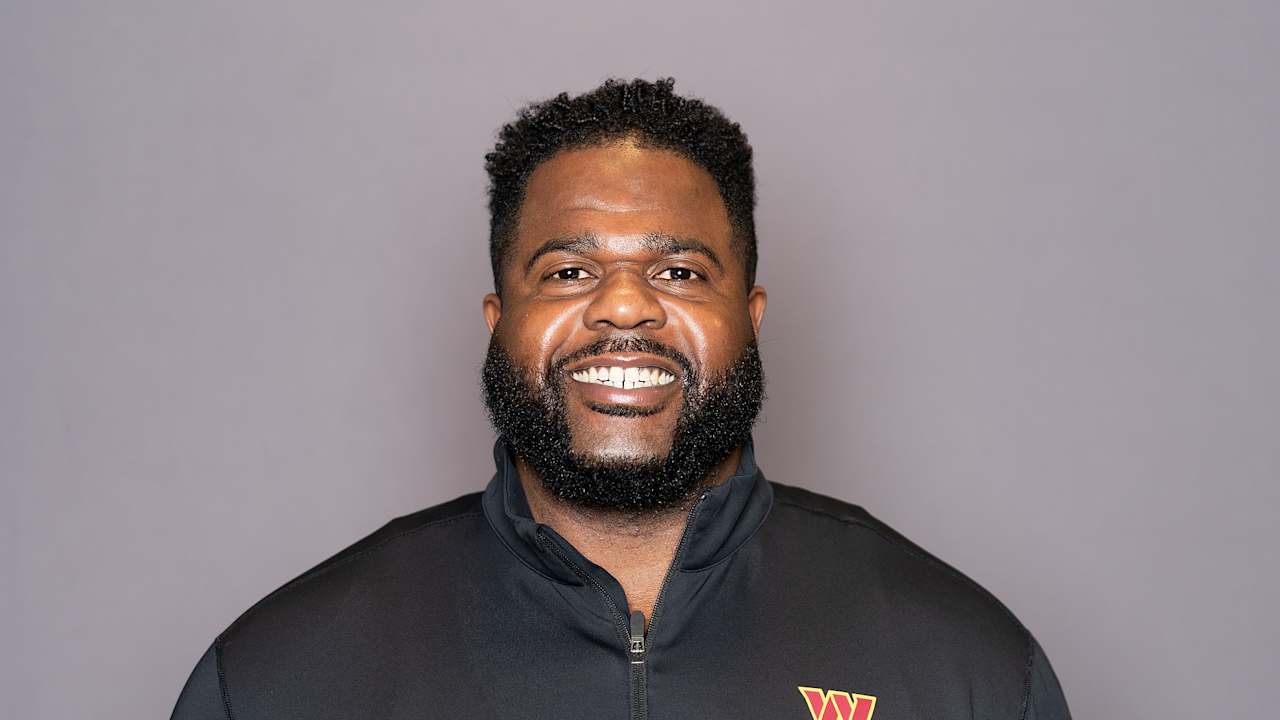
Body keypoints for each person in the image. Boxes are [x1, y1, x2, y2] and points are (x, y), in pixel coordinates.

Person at [171, 78, 1071, 720]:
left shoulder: (963, 664)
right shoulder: (284, 675)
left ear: (751, 317)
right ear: (499, 321)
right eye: (569, 271)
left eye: (680, 271)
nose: (626, 307)